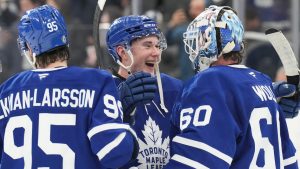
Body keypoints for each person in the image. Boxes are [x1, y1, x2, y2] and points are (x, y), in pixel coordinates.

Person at [0, 5, 138, 169]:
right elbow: (115, 152)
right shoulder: (96, 82)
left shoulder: (6, 90)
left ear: (29, 48)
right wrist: (125, 119)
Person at [164, 5, 299, 168]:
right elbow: (289, 161)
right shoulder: (261, 80)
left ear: (210, 42)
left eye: (198, 39)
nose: (194, 48)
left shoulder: (210, 81)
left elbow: (198, 162)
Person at [106, 15, 183, 168]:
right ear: (122, 51)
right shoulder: (104, 92)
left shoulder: (175, 88)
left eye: (157, 45)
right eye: (148, 46)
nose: (156, 53)